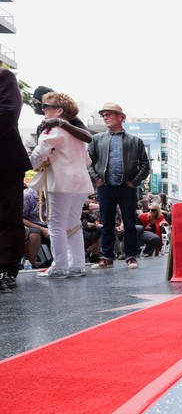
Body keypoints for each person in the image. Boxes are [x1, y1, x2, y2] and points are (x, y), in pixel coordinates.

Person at [28, 92, 94, 278]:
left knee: (55, 224)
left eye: (46, 107)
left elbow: (38, 156)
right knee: (74, 224)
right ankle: (77, 265)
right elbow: (88, 161)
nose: (43, 110)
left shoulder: (51, 130)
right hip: (80, 182)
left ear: (59, 110)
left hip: (61, 181)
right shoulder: (76, 133)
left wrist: (31, 163)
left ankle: (60, 266)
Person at [88, 102, 150, 270]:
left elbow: (145, 165)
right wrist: (97, 179)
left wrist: (133, 182)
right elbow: (88, 162)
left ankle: (131, 257)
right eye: (103, 115)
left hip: (126, 187)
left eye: (109, 114)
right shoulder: (97, 139)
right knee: (107, 223)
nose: (105, 117)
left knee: (130, 223)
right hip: (105, 187)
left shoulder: (135, 140)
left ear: (120, 117)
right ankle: (106, 257)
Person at [0, 68, 32, 293]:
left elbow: (8, 112)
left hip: (6, 162)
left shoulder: (4, 76)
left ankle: (7, 270)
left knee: (7, 215)